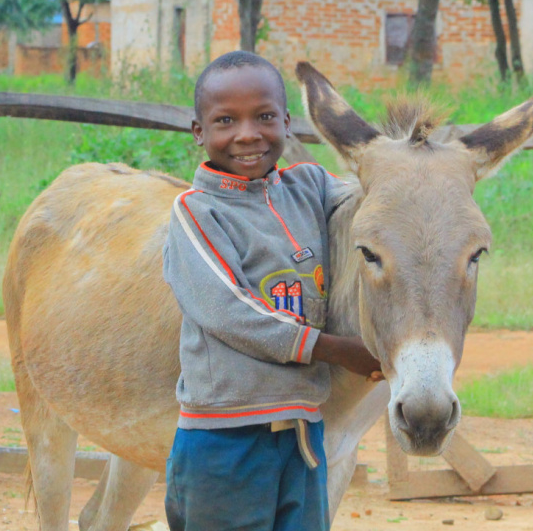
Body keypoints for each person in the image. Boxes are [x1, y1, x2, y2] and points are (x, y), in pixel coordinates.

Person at [162, 51, 382, 531]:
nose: (247, 134)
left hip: (303, 436)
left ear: (286, 121)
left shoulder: (309, 187)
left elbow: (375, 201)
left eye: (264, 117)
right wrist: (337, 350)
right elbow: (228, 311)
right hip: (225, 440)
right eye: (225, 120)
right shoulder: (197, 213)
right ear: (198, 132)